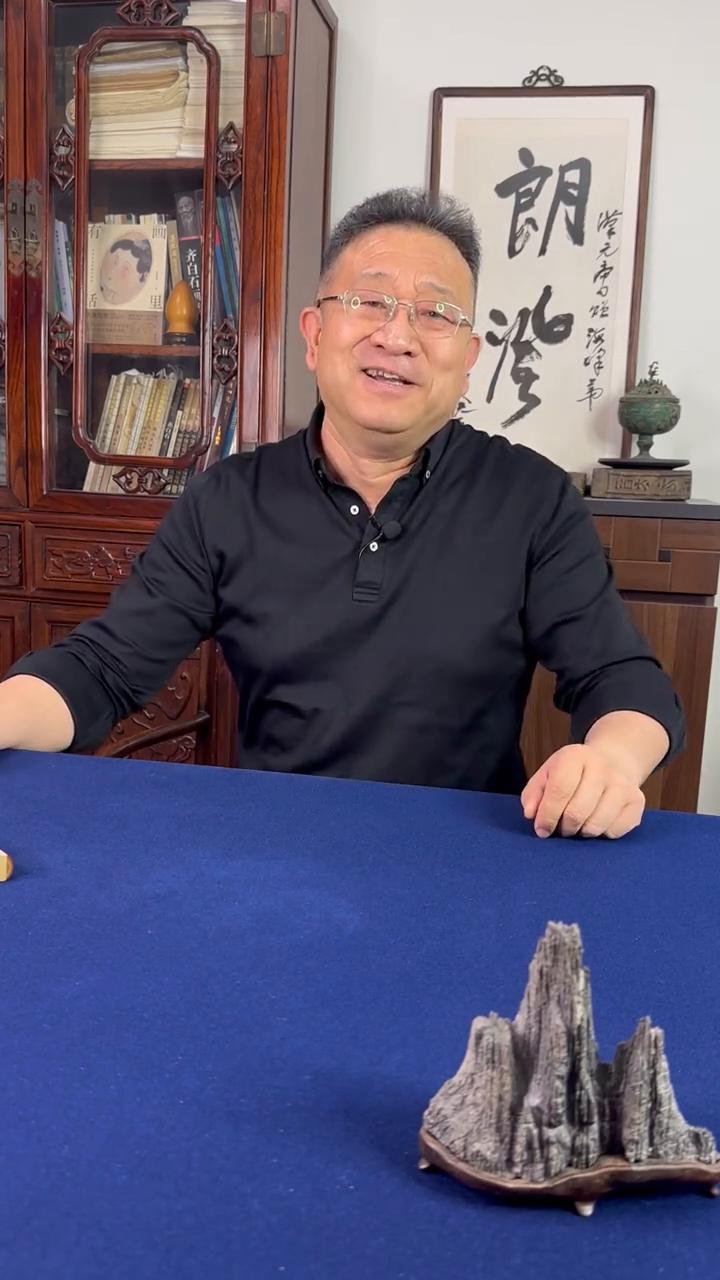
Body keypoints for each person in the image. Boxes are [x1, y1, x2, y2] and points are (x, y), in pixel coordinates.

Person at [0, 188, 683, 839]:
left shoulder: (532, 497)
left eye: (435, 313)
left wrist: (612, 760)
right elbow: (103, 668)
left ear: (468, 359)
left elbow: (621, 677)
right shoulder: (228, 500)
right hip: (275, 842)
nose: (398, 335)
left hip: (468, 852)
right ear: (315, 333)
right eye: (370, 301)